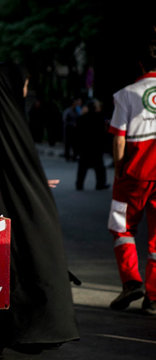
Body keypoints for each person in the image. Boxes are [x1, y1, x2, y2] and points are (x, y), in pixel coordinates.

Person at [0, 62, 80, 355]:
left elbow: (17, 166)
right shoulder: (5, 118)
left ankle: (0, 336)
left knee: (3, 268)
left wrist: (33, 182)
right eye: (23, 85)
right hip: (3, 208)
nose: (25, 91)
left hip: (1, 206)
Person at [107, 38, 156, 315]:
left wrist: (118, 169)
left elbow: (119, 139)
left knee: (122, 227)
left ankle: (131, 282)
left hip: (135, 173)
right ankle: (154, 297)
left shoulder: (126, 94)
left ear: (140, 64)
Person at [75, 99, 109, 190]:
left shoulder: (81, 118)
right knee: (99, 168)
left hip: (84, 146)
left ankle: (79, 184)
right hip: (96, 146)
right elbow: (103, 133)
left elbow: (77, 134)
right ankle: (100, 184)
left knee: (82, 167)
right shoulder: (100, 118)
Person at [62, 97, 83, 161]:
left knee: (75, 144)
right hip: (68, 129)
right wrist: (71, 124)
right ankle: (67, 156)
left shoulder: (77, 110)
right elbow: (65, 120)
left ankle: (74, 156)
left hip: (75, 130)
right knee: (68, 143)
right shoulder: (68, 111)